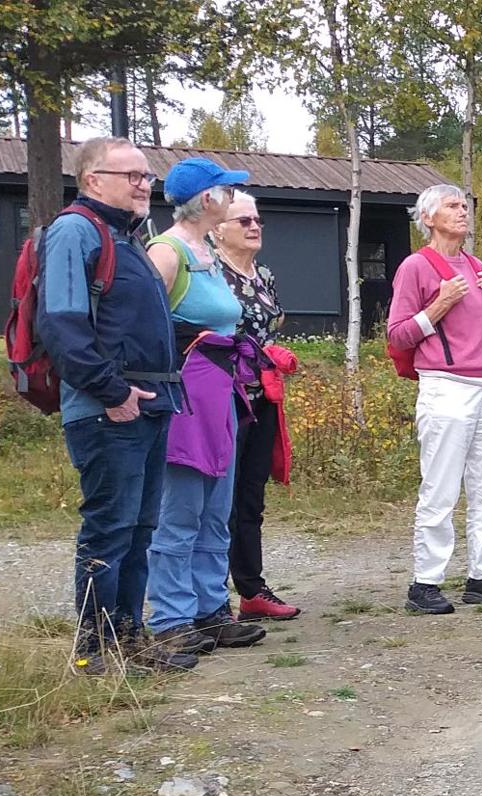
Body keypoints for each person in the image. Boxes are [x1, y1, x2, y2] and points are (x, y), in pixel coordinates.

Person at [37, 138, 198, 673]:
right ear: (92, 180)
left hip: (148, 404)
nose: (143, 184)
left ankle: (129, 641)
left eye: (146, 176)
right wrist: (112, 393)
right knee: (109, 529)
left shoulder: (125, 238)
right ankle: (92, 652)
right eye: (131, 175)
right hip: (109, 409)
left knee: (139, 529)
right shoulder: (75, 231)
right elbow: (61, 325)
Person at [145, 158, 265, 656]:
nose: (233, 199)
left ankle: (211, 611)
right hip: (185, 394)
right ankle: (172, 618)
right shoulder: (166, 251)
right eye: (227, 191)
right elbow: (140, 325)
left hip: (220, 389)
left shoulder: (207, 254)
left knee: (217, 507)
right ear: (208, 199)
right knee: (181, 507)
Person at [387, 183, 482, 615]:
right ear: (428, 218)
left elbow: (475, 327)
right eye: (452, 206)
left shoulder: (476, 265)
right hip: (447, 387)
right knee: (440, 487)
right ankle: (425, 582)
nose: (463, 212)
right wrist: (438, 305)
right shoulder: (416, 267)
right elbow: (398, 334)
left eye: (465, 206)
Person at [215, 191, 301, 621]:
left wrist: (271, 354)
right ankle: (211, 597)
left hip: (263, 395)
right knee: (218, 499)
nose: (254, 227)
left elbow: (271, 323)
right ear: (218, 229)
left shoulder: (263, 274)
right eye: (243, 221)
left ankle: (251, 589)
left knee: (251, 495)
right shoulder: (210, 272)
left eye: (257, 220)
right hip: (222, 397)